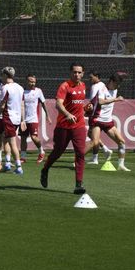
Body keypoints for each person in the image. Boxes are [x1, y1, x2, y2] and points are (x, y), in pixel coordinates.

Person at [41, 63, 88, 195]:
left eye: (79, 72)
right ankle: (45, 169)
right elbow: (58, 104)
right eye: (74, 72)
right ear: (70, 73)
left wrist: (86, 109)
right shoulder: (64, 86)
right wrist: (67, 114)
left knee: (80, 153)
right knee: (57, 152)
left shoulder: (83, 86)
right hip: (63, 126)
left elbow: (79, 106)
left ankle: (79, 184)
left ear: (83, 74)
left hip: (78, 125)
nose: (76, 74)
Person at [88, 73, 128, 171]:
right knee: (94, 142)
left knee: (122, 142)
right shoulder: (102, 88)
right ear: (111, 82)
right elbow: (100, 101)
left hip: (108, 121)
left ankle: (121, 165)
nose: (118, 86)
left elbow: (117, 74)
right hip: (97, 119)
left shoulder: (115, 89)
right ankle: (78, 160)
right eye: (116, 84)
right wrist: (116, 99)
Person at [0, 67, 24, 174]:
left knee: (12, 143)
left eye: (2, 75)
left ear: (5, 75)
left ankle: (18, 166)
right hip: (16, 119)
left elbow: (2, 105)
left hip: (9, 118)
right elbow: (22, 105)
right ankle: (7, 163)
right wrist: (23, 120)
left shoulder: (6, 88)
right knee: (5, 139)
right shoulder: (20, 87)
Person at [20, 74, 47, 164]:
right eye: (31, 81)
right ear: (26, 81)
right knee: (23, 138)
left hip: (33, 118)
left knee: (34, 137)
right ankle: (23, 157)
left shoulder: (38, 91)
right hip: (23, 119)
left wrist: (48, 115)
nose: (33, 83)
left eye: (34, 82)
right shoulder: (22, 92)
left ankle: (41, 151)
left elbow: (43, 103)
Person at [84, 70, 107, 165]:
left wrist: (87, 112)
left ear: (97, 76)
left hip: (95, 114)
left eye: (91, 77)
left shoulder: (96, 86)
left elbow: (93, 103)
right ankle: (96, 157)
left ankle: (78, 159)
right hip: (99, 113)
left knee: (92, 136)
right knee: (92, 136)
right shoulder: (102, 85)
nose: (90, 79)